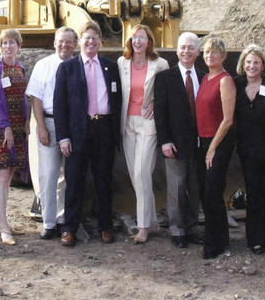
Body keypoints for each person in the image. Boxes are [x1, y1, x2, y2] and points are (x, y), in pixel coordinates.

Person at [53, 20, 121, 247]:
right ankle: (69, 228)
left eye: (95, 38)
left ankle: (106, 227)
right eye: (87, 37)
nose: (91, 41)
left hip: (104, 129)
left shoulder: (111, 68)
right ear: (79, 42)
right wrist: (63, 137)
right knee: (74, 181)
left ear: (101, 42)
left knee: (104, 180)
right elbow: (59, 105)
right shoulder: (67, 68)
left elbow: (118, 100)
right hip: (77, 132)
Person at [118, 24, 169, 244]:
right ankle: (154, 222)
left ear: (149, 41)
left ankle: (143, 227)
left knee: (141, 172)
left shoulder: (160, 64)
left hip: (148, 123)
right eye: (134, 38)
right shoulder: (122, 63)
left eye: (142, 37)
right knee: (135, 174)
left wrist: (157, 103)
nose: (138, 41)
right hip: (128, 122)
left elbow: (168, 90)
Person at [154, 32, 205, 248]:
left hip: (200, 143)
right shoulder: (165, 78)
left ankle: (192, 227)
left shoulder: (204, 76)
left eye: (191, 47)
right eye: (183, 47)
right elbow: (160, 112)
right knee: (176, 186)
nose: (186, 51)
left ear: (198, 52)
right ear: (177, 50)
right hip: (174, 143)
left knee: (195, 187)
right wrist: (164, 140)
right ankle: (177, 230)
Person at [26, 27, 78, 240]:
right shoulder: (43, 66)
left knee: (69, 176)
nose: (64, 45)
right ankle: (48, 222)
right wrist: (42, 128)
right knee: (48, 175)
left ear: (75, 44)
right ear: (54, 43)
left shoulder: (80, 66)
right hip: (49, 122)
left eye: (68, 42)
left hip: (73, 127)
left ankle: (64, 220)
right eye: (60, 41)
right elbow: (36, 99)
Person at [0, 29, 29, 246]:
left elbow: (24, 99)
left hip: (18, 127)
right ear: (0, 46)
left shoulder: (19, 68)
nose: (8, 46)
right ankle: (4, 228)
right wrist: (6, 128)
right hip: (1, 128)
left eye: (12, 42)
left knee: (9, 173)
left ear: (19, 46)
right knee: (2, 175)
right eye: (4, 43)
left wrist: (26, 122)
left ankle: (0, 220)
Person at [234, 44, 265, 255]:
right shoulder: (236, 84)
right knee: (253, 193)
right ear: (243, 65)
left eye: (256, 63)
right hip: (246, 150)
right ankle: (255, 240)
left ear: (263, 66)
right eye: (248, 62)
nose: (252, 66)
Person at [196, 36, 236, 259]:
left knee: (212, 191)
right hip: (204, 142)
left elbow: (228, 119)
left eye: (215, 52)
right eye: (207, 52)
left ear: (223, 56)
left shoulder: (224, 81)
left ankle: (215, 243)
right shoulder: (205, 79)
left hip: (218, 142)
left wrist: (212, 148)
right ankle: (219, 235)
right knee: (206, 192)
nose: (210, 55)